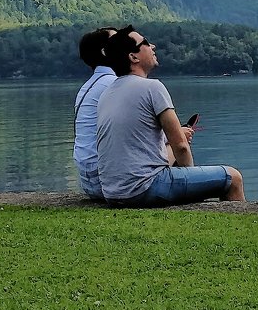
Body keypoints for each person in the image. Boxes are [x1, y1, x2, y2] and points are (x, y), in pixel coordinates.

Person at [97, 25, 245, 206]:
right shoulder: (152, 87)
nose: (152, 46)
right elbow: (181, 145)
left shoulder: (107, 93)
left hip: (113, 192)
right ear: (133, 57)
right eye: (144, 43)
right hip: (143, 188)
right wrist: (191, 180)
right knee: (233, 178)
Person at [73, 26, 118, 200]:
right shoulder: (113, 84)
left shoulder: (91, 85)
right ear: (105, 52)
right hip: (106, 182)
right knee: (174, 142)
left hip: (88, 182)